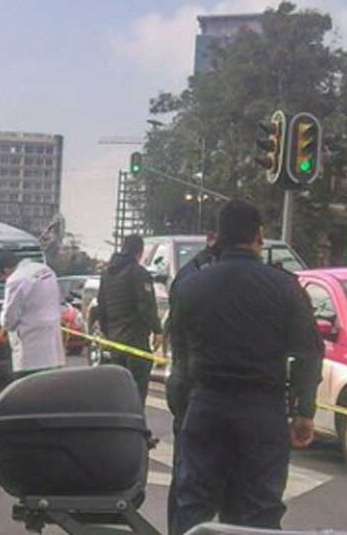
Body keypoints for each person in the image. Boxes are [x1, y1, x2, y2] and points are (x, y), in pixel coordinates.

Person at [171, 200, 323, 534]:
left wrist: (186, 410)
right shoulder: (285, 287)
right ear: (259, 237)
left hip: (207, 406)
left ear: (217, 238)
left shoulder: (190, 287)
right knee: (259, 511)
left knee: (194, 505)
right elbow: (309, 353)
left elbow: (179, 360)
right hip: (262, 412)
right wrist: (304, 412)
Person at [166, 225, 218, 534]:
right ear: (212, 237)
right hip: (192, 386)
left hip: (189, 384)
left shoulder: (194, 274)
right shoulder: (194, 278)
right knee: (189, 479)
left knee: (188, 476)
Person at [96, 234, 161, 403]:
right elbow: (146, 306)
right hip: (136, 341)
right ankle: (137, 426)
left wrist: (108, 334)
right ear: (139, 252)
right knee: (137, 394)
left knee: (119, 394)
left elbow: (101, 308)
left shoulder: (107, 274)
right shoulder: (139, 273)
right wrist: (157, 330)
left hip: (115, 344)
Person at [0, 251, 65, 377]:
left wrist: (1, 318)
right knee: (52, 388)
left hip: (29, 350)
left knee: (30, 391)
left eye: (2, 277)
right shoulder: (46, 270)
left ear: (6, 270)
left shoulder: (15, 279)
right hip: (53, 346)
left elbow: (9, 320)